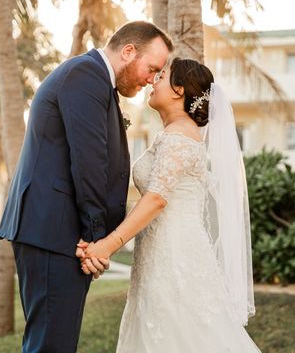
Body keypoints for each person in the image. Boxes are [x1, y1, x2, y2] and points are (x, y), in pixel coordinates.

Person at [0, 21, 172, 352]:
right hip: (55, 232)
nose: (151, 80)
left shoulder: (94, 80)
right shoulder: (86, 76)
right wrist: (96, 241)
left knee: (51, 342)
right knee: (51, 345)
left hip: (57, 231)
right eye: (151, 69)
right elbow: (89, 163)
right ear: (128, 51)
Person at [78, 57, 261, 352]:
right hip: (158, 254)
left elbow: (156, 199)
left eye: (161, 76)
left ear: (178, 90)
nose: (153, 80)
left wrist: (107, 246)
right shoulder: (173, 134)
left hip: (176, 256)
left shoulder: (180, 137)